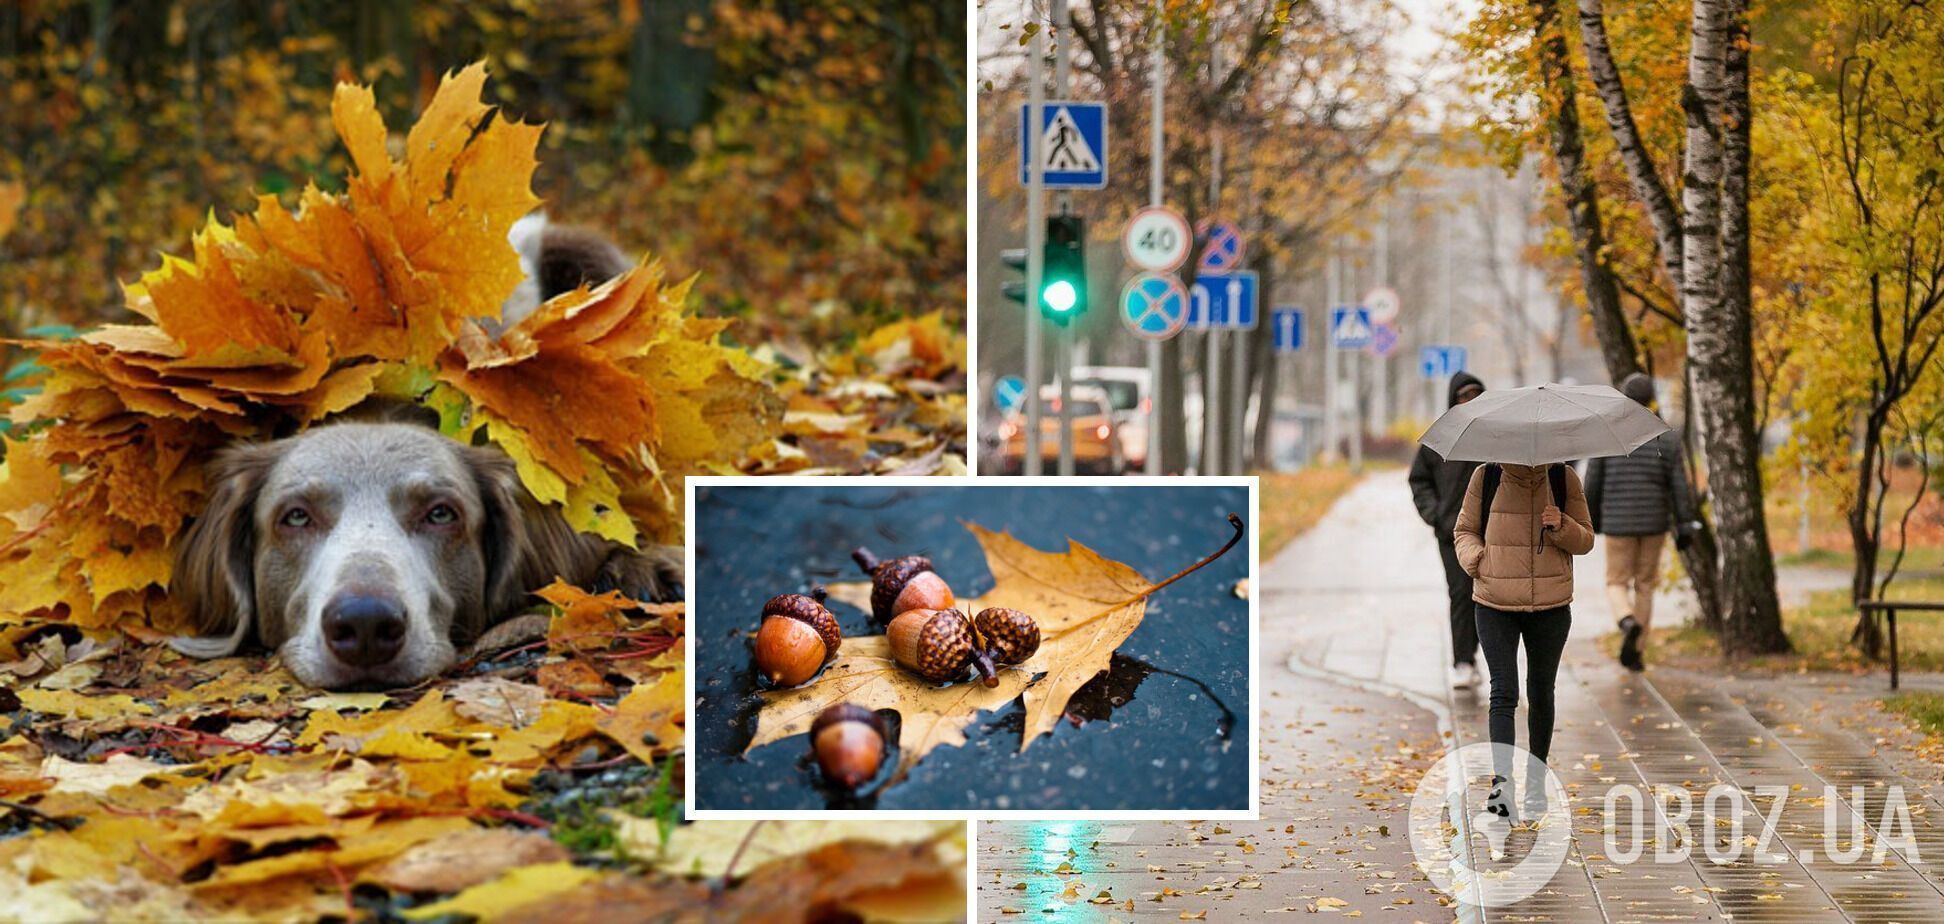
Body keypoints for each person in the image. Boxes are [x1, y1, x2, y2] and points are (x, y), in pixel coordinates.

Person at [1453, 459, 1594, 818]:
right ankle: (1502, 786)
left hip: (1551, 606)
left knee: (1541, 692)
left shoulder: (1562, 477)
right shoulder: (1487, 476)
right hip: (1494, 603)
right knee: (1503, 691)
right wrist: (1479, 561)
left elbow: (1586, 540)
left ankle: (1536, 782)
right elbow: (1464, 531)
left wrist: (1562, 525)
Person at [1584, 373, 1698, 672]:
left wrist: (1590, 520)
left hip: (1617, 523)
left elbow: (1593, 482)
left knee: (1616, 581)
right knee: (1645, 585)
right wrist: (1684, 523)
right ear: (1651, 400)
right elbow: (1679, 486)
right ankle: (1636, 652)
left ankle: (1625, 619)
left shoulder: (1607, 434)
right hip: (1654, 523)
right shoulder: (1666, 436)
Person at [1410, 372, 1486, 689]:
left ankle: (1476, 655)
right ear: (1453, 400)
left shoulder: (1494, 436)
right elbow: (1419, 480)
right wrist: (1436, 515)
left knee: (1487, 597)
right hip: (1451, 533)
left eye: (1476, 394)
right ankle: (1463, 661)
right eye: (1464, 395)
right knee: (1460, 594)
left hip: (1491, 532)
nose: (1470, 400)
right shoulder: (1438, 440)